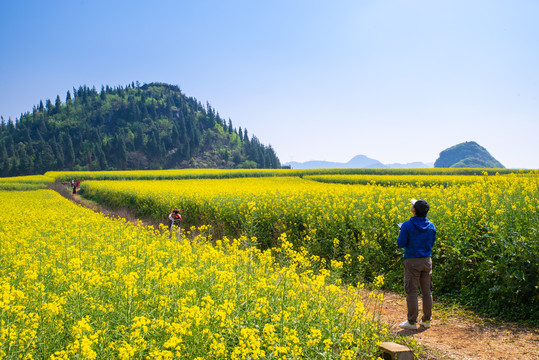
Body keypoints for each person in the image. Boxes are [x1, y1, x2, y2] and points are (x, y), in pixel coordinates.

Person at [397, 198, 436, 330]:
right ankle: (426, 320)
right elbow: (432, 242)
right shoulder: (431, 226)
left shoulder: (407, 225)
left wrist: (401, 232)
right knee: (426, 291)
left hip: (412, 261)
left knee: (412, 291)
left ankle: (412, 322)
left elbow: (401, 243)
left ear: (414, 210)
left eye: (413, 206)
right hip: (427, 260)